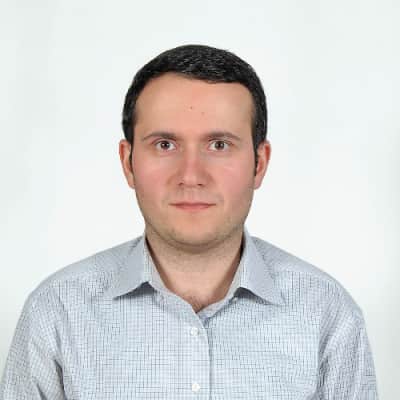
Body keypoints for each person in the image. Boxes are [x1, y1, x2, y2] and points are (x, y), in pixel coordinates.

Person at [0, 44, 379, 399]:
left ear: (259, 164)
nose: (191, 175)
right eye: (165, 145)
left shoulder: (327, 314)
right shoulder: (57, 311)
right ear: (128, 163)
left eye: (219, 145)